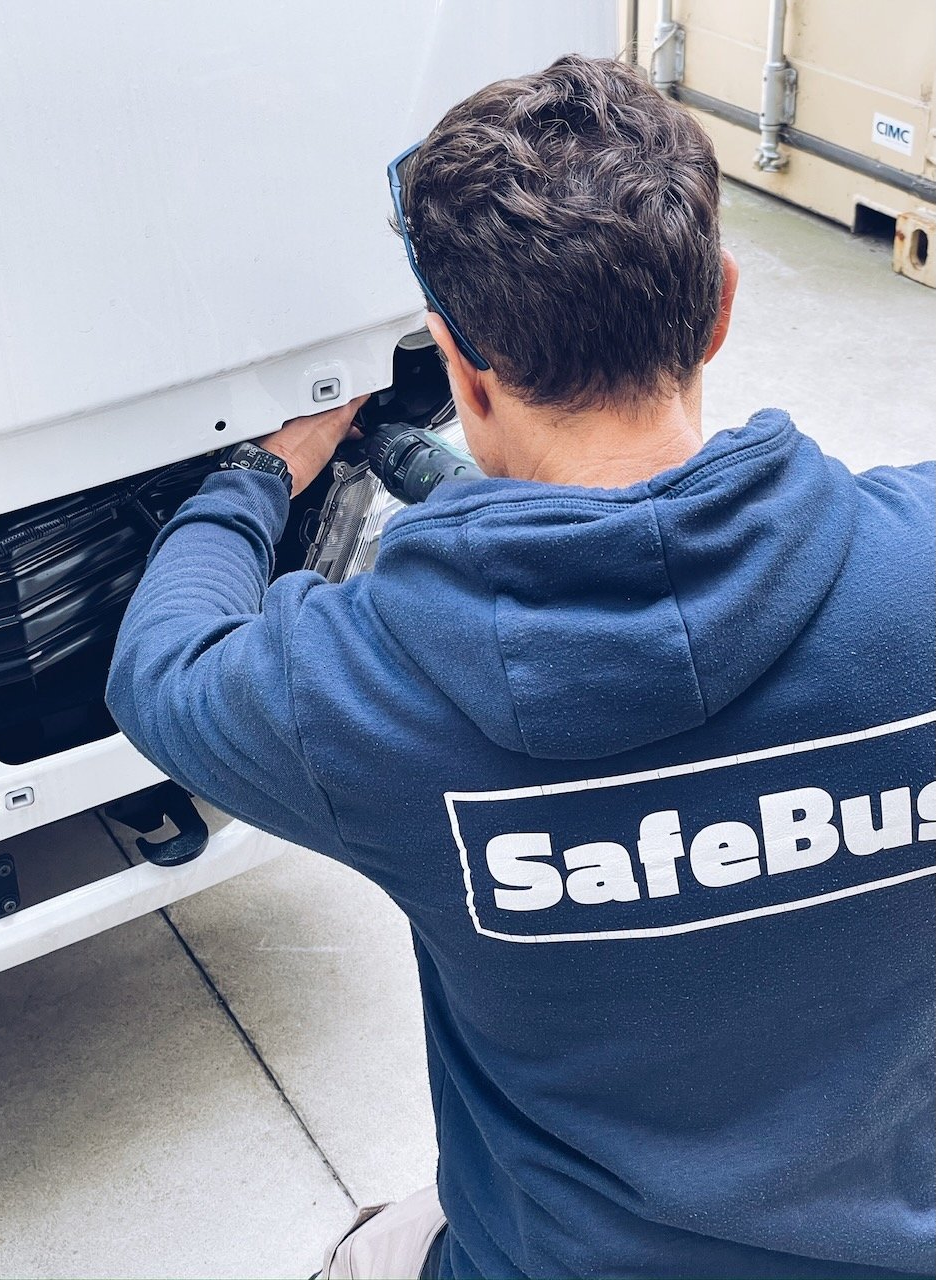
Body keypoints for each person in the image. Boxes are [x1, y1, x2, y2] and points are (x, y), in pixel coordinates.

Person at [106, 54, 935, 1280]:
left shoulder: (354, 692)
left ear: (459, 365)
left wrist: (256, 475)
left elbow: (162, 660)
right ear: (719, 307)